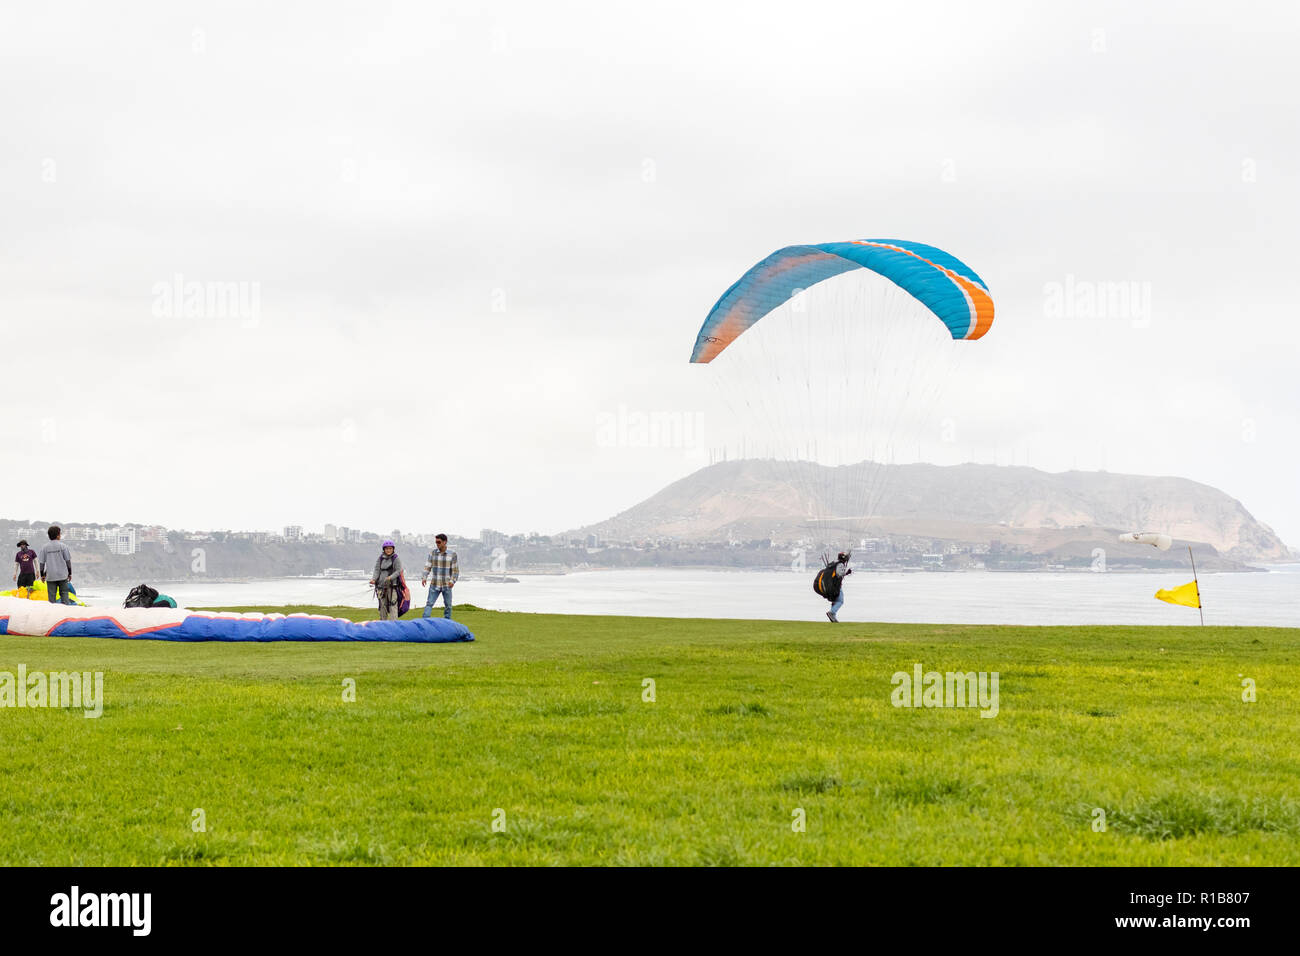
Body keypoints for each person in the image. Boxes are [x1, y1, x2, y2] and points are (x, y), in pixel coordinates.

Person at [421, 533, 459, 619]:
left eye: (439, 542)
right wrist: (424, 577)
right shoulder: (433, 553)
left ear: (445, 542)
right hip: (435, 584)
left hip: (447, 584)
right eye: (436, 542)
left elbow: (455, 570)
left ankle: (447, 623)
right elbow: (428, 566)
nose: (437, 544)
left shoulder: (452, 554)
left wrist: (452, 581)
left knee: (448, 606)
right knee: (429, 603)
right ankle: (424, 622)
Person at [38, 526, 74, 605]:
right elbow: (68, 561)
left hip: (51, 576)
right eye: (60, 534)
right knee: (64, 594)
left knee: (51, 599)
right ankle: (65, 613)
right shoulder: (63, 546)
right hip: (62, 575)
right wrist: (70, 573)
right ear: (58, 535)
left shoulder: (44, 548)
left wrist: (42, 575)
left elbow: (42, 563)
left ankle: (52, 614)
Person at [370, 540, 404, 621]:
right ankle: (383, 623)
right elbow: (377, 570)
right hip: (381, 587)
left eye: (390, 548)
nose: (388, 550)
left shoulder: (396, 558)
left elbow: (398, 571)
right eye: (387, 549)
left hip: (392, 587)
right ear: (384, 549)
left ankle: (394, 624)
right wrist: (374, 579)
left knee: (393, 605)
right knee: (382, 606)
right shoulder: (380, 558)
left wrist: (390, 577)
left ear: (393, 549)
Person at [826, 551, 851, 623]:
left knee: (835, 601)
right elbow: (839, 574)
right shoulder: (840, 564)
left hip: (830, 586)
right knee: (840, 601)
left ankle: (833, 618)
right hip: (836, 586)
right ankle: (831, 613)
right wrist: (846, 572)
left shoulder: (833, 563)